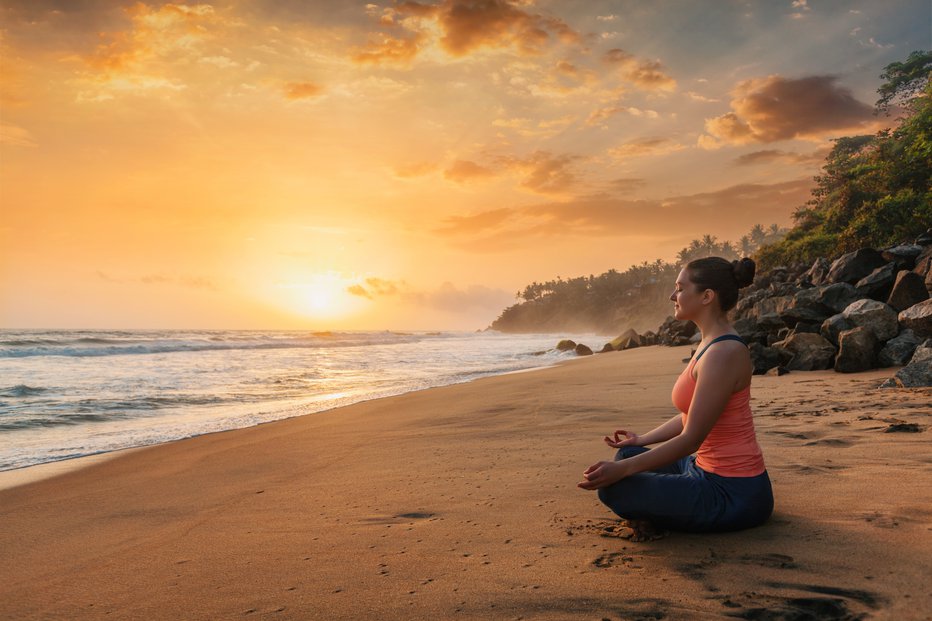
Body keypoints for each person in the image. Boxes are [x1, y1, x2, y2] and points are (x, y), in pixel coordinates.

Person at [577, 256, 773, 537]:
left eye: (680, 288)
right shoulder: (709, 343)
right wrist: (641, 440)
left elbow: (692, 439)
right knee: (627, 454)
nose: (673, 296)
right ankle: (659, 510)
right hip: (700, 469)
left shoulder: (723, 354)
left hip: (732, 492)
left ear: (707, 296)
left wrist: (623, 472)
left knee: (614, 485)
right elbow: (690, 416)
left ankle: (658, 515)